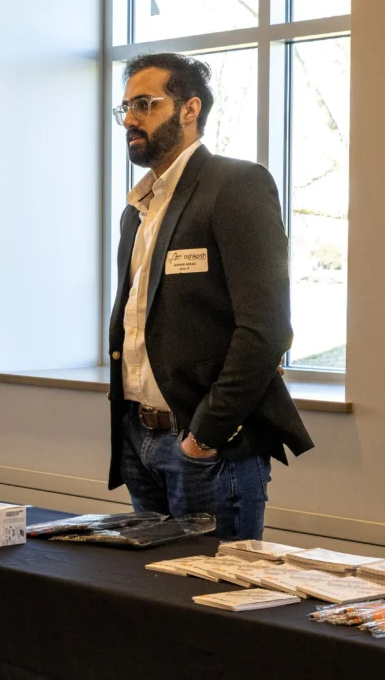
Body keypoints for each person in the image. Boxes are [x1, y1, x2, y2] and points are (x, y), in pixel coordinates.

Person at [108, 53, 313, 540]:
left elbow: (265, 329)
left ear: (189, 108)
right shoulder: (137, 211)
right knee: (147, 601)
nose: (131, 119)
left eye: (144, 103)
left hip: (204, 449)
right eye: (125, 108)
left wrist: (203, 437)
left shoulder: (235, 185)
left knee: (213, 608)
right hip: (139, 441)